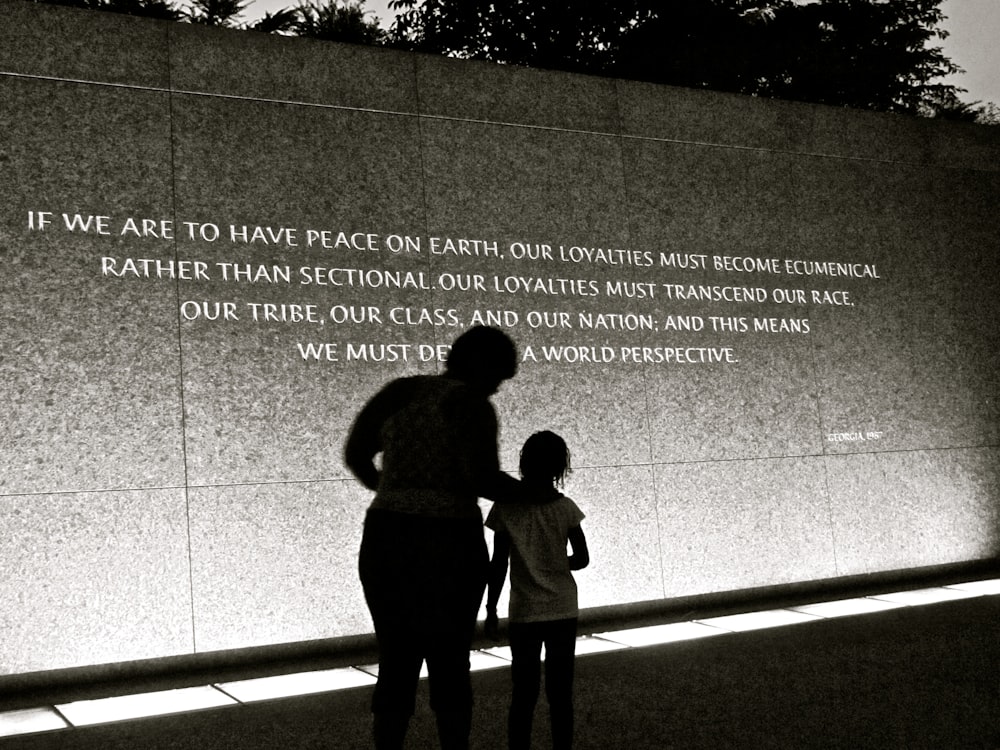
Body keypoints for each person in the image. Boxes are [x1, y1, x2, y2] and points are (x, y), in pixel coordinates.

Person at [343, 325, 522, 750]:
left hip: (387, 535)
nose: (497, 387)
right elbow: (480, 477)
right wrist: (534, 493)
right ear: (481, 365)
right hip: (449, 542)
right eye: (498, 375)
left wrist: (392, 488)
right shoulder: (472, 404)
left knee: (396, 661)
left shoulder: (399, 392)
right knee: (450, 663)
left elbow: (356, 454)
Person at [484, 430, 590, 750]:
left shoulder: (505, 509)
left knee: (523, 693)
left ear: (524, 464)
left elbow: (498, 564)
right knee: (560, 694)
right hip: (562, 606)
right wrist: (557, 562)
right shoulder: (566, 508)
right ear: (560, 467)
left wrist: (490, 610)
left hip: (525, 610)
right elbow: (582, 559)